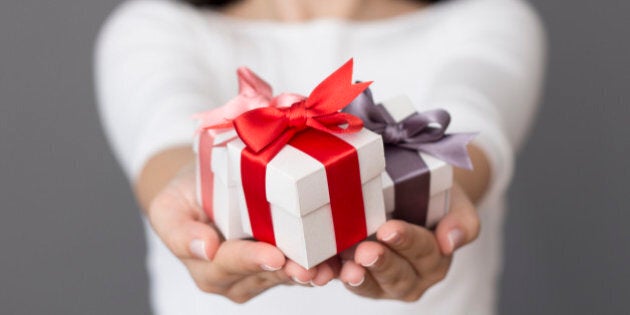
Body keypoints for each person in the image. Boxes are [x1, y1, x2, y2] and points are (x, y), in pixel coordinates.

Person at [94, 0, 545, 313]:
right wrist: (188, 185)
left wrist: (443, 197)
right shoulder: (153, 27)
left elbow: (471, 131)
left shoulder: (490, 19)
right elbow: (166, 138)